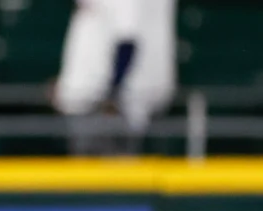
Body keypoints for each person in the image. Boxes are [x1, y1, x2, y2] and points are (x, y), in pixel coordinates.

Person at [53, 0, 177, 150]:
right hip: (88, 103)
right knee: (86, 168)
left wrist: (112, 96)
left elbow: (128, 42)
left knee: (110, 169)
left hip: (105, 107)